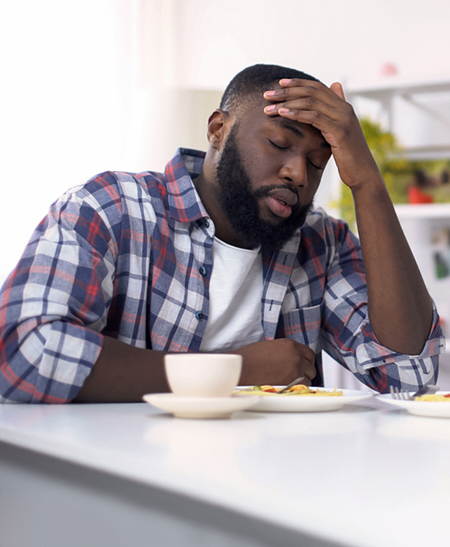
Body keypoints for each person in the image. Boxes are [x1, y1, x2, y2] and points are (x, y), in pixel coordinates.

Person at [0, 64, 444, 403]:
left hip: (269, 498)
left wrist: (366, 178)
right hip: (124, 490)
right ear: (218, 130)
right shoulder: (112, 207)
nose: (297, 173)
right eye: (279, 144)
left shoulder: (321, 243)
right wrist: (231, 370)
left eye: (317, 162)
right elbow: (23, 351)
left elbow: (409, 373)